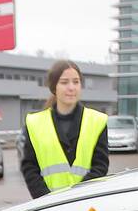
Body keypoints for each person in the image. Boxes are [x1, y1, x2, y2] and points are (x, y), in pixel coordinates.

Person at [21, 59, 110, 199]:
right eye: (64, 82)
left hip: (85, 204)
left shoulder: (97, 121)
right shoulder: (35, 123)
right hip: (48, 207)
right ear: (53, 87)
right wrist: (46, 200)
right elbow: (30, 167)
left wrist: (77, 197)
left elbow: (100, 166)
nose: (71, 87)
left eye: (76, 82)